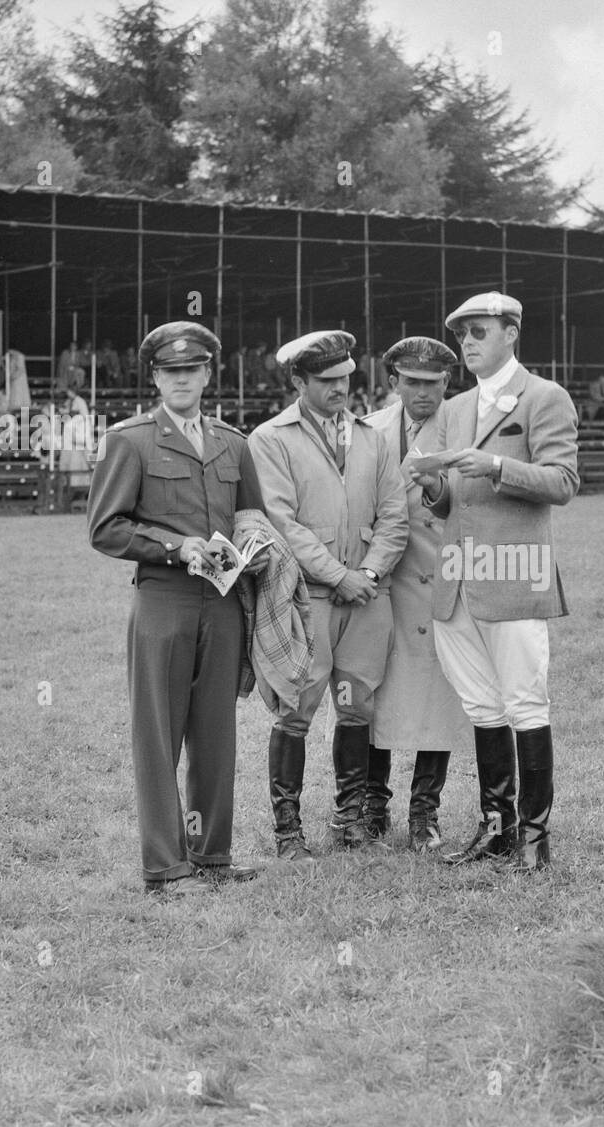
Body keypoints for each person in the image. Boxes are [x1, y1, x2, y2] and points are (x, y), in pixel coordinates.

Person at [87, 321, 265, 898]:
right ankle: (166, 866)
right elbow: (105, 528)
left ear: (209, 374)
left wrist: (258, 551)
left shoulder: (234, 443)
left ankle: (212, 854)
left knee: (215, 733)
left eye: (192, 370)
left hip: (222, 602)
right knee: (158, 734)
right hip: (162, 601)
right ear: (156, 378)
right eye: (171, 371)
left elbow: (253, 518)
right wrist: (173, 546)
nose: (182, 379)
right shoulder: (131, 439)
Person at [410, 292, 579, 872]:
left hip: (513, 578)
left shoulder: (544, 397)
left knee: (526, 703)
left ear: (512, 332)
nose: (469, 342)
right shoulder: (453, 410)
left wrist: (499, 466)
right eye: (462, 335)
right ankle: (498, 829)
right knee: (483, 706)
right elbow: (449, 502)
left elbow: (562, 481)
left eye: (480, 331)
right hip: (458, 578)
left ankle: (535, 840)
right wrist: (431, 485)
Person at [247, 331, 409, 862]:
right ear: (299, 382)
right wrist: (341, 576)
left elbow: (394, 517)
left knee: (357, 707)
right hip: (308, 599)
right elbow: (283, 524)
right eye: (327, 381)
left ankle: (350, 821)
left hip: (367, 596)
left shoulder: (373, 438)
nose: (341, 388)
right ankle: (288, 832)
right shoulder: (270, 439)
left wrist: (368, 571)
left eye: (345, 379)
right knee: (295, 710)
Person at [362, 337, 470, 851]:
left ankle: (425, 812)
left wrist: (434, 488)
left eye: (432, 383)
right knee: (373, 689)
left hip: (440, 578)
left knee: (438, 694)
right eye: (412, 383)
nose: (422, 393)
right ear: (394, 383)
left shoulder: (466, 425)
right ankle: (371, 805)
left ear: (448, 383)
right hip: (383, 581)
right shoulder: (371, 429)